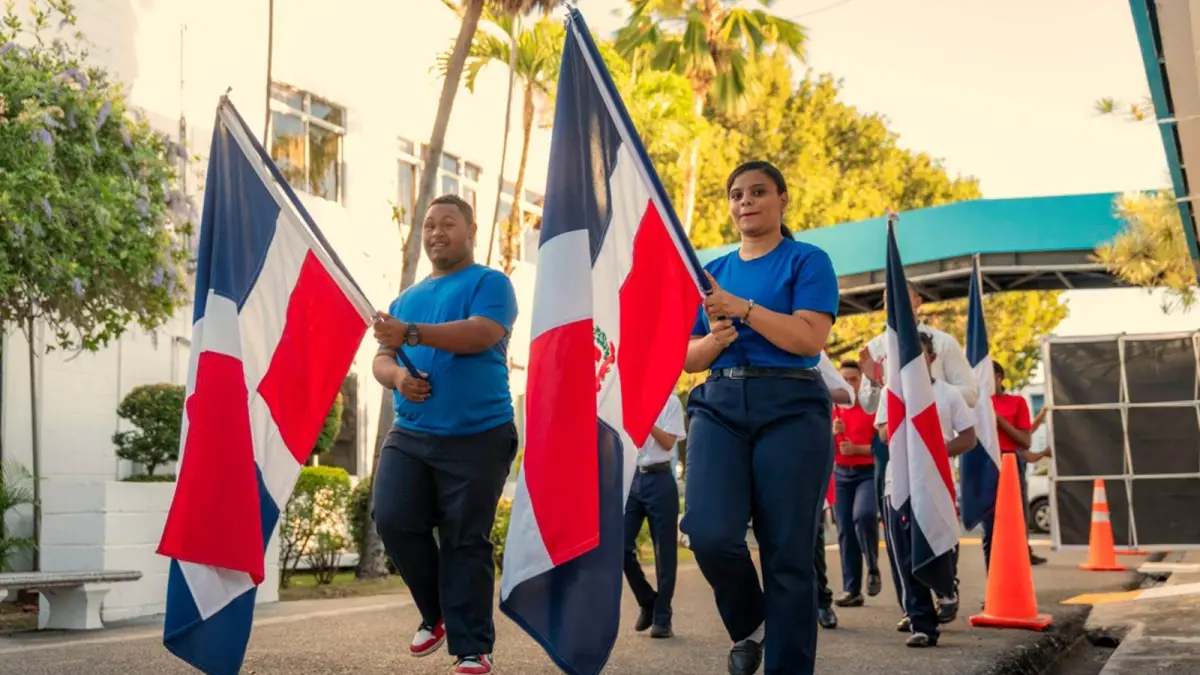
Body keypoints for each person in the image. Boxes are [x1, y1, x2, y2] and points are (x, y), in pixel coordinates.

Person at [680, 161, 839, 675]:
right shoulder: (709, 272)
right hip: (719, 404)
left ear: (782, 200)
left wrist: (741, 309)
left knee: (787, 551)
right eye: (736, 195)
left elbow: (808, 340)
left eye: (758, 192)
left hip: (790, 407)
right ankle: (752, 624)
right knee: (707, 532)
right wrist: (712, 340)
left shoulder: (808, 261)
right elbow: (686, 357)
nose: (745, 201)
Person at [371, 194, 519, 675]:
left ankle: (472, 646)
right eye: (429, 225)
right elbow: (381, 359)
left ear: (471, 229)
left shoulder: (490, 283)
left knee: (464, 539)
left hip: (479, 434)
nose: (436, 232)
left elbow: (481, 333)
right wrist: (396, 378)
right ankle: (436, 614)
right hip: (412, 433)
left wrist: (410, 334)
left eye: (448, 223)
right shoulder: (406, 298)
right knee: (392, 517)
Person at [875, 331, 977, 647]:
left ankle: (946, 587)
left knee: (942, 543)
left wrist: (935, 450)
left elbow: (969, 437)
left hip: (936, 486)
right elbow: (881, 433)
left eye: (917, 355)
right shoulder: (891, 394)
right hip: (900, 484)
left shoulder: (948, 394)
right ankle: (922, 623)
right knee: (905, 556)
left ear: (931, 359)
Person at [624, 394, 687, 639]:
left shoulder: (670, 402)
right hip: (633, 480)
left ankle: (663, 618)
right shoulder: (628, 400)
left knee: (665, 553)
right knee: (621, 547)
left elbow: (669, 442)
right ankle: (647, 600)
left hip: (660, 480)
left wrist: (646, 421)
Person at [988, 362, 1052, 568]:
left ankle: (1021, 554)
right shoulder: (978, 404)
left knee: (1016, 514)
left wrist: (1000, 421)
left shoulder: (1016, 402)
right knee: (990, 519)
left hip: (1010, 461)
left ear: (999, 377)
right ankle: (998, 563)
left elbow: (1024, 440)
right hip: (987, 462)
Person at [830, 360, 882, 608]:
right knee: (845, 531)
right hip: (841, 474)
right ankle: (852, 589)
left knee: (864, 515)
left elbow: (884, 447)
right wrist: (831, 434)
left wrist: (858, 449)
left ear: (861, 382)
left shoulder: (872, 408)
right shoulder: (834, 411)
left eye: (853, 379)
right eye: (844, 380)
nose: (849, 384)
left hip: (868, 473)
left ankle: (872, 566)